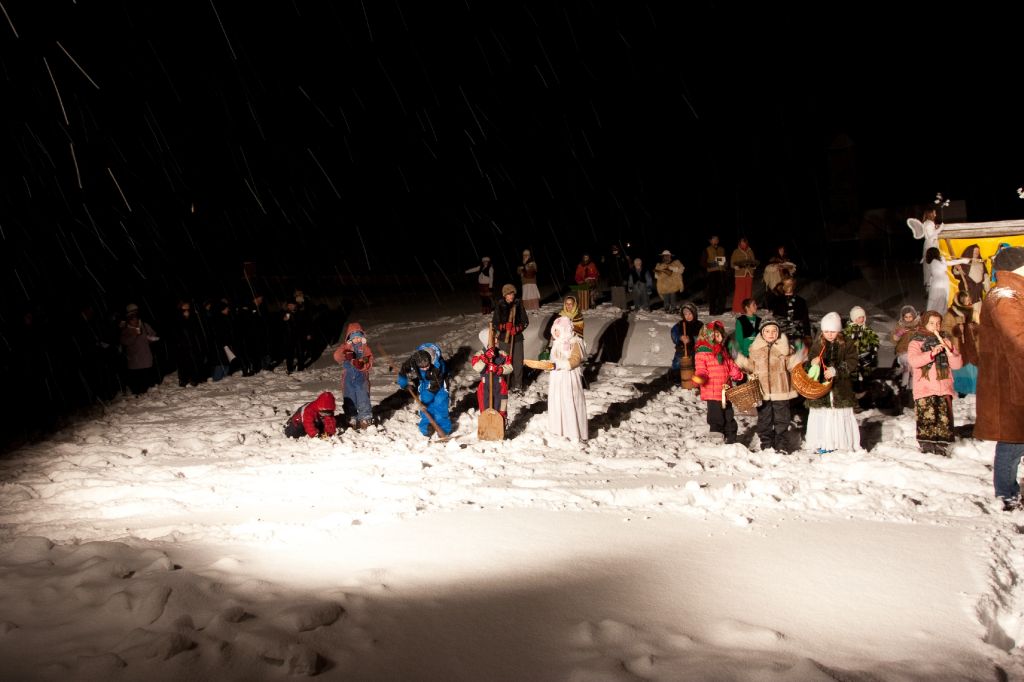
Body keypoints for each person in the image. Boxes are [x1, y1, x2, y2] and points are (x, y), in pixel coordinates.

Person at [974, 247, 1024, 510]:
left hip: (1013, 380)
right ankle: (1006, 495)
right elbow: (1018, 341)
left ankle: (1008, 493)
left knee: (1015, 439)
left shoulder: (1012, 292)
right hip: (1011, 382)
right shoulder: (1005, 296)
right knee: (1012, 441)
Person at [737, 319, 803, 452]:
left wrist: (800, 356)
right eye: (767, 331)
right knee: (764, 419)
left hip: (781, 390)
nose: (771, 334)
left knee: (782, 418)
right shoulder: (755, 349)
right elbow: (750, 366)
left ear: (778, 333)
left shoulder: (784, 349)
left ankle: (781, 444)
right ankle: (766, 443)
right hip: (763, 391)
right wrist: (740, 360)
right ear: (762, 333)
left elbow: (791, 365)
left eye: (774, 331)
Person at [803, 312, 860, 453]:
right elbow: (809, 364)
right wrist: (813, 363)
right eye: (826, 331)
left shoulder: (847, 343)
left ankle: (841, 443)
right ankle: (822, 442)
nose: (829, 334)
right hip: (822, 389)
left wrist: (836, 370)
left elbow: (852, 361)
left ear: (838, 330)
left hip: (840, 387)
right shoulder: (818, 344)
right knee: (823, 414)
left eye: (833, 331)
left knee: (839, 413)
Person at [907, 310, 963, 456]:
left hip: (944, 388)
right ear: (925, 323)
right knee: (928, 420)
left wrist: (950, 352)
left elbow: (957, 365)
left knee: (943, 420)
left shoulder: (946, 340)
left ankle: (942, 448)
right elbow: (914, 361)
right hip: (925, 388)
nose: (935, 326)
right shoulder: (916, 342)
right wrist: (931, 354)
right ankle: (927, 448)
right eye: (931, 323)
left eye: (938, 323)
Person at [693, 320, 745, 444]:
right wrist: (700, 377)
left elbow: (730, 365)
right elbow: (701, 369)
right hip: (712, 392)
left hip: (725, 391)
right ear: (707, 336)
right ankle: (716, 440)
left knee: (729, 416)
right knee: (716, 417)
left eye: (720, 334)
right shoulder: (702, 353)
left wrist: (737, 374)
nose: (719, 337)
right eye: (715, 335)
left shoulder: (722, 351)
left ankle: (731, 439)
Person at [546, 316, 588, 443]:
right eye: (554, 330)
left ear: (565, 329)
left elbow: (575, 360)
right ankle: (559, 430)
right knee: (558, 402)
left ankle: (574, 432)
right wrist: (548, 365)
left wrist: (559, 365)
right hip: (557, 379)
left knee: (569, 402)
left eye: (558, 330)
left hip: (569, 378)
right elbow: (554, 359)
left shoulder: (575, 342)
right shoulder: (556, 343)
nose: (555, 333)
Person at [397, 344, 451, 438]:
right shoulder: (413, 361)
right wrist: (404, 384)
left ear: (430, 360)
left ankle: (443, 429)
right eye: (422, 367)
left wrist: (423, 403)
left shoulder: (438, 366)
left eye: (427, 366)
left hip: (440, 384)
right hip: (425, 382)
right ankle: (426, 427)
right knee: (426, 408)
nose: (425, 368)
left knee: (440, 404)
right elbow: (403, 371)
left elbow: (434, 387)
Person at [333, 323, 375, 429]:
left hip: (361, 378)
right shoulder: (345, 347)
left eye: (359, 337)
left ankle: (365, 417)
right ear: (349, 338)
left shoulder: (365, 348)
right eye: (354, 337)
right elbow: (337, 357)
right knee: (349, 397)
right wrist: (345, 352)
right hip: (348, 378)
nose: (357, 339)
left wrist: (361, 364)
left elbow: (369, 360)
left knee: (363, 397)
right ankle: (351, 417)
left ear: (362, 337)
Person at [492, 284, 529, 392]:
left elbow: (525, 321)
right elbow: (495, 323)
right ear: (504, 295)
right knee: (504, 362)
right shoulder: (500, 305)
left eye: (512, 293)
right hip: (504, 339)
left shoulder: (518, 304)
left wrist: (517, 328)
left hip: (517, 339)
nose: (511, 296)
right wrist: (504, 326)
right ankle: (504, 385)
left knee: (517, 362)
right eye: (509, 294)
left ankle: (517, 385)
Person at [472, 328, 512, 426]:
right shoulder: (480, 354)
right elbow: (476, 366)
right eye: (494, 338)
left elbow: (510, 367)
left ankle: (501, 425)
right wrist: (485, 358)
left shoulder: (502, 353)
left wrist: (499, 369)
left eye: (497, 338)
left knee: (501, 406)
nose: (497, 340)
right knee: (485, 408)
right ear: (486, 341)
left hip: (500, 386)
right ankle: (487, 427)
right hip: (485, 386)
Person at [119, 303, 159, 395]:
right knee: (138, 388)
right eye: (132, 314)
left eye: (136, 313)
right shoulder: (125, 329)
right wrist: (135, 334)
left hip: (146, 360)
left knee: (149, 386)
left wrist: (151, 339)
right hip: (135, 363)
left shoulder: (144, 325)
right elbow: (125, 342)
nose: (135, 319)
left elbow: (153, 335)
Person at [843, 305, 879, 400]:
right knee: (853, 374)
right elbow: (843, 341)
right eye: (859, 317)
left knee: (866, 373)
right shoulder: (848, 330)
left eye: (863, 317)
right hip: (852, 357)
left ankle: (865, 391)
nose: (862, 319)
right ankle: (854, 391)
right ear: (854, 319)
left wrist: (874, 347)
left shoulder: (867, 330)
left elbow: (874, 339)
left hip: (865, 356)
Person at [924, 247, 970, 315]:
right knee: (939, 300)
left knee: (941, 300)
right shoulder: (934, 262)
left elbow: (950, 262)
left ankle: (939, 314)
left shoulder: (936, 261)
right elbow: (944, 267)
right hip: (939, 283)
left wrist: (963, 260)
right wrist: (943, 259)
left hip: (941, 282)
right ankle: (934, 315)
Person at [891, 305, 920, 405]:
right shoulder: (900, 325)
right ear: (903, 317)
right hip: (903, 352)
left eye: (910, 316)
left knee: (913, 371)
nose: (908, 319)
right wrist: (899, 333)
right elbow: (894, 339)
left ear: (914, 316)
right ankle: (903, 388)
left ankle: (910, 392)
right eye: (906, 317)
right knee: (908, 366)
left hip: (915, 352)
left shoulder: (918, 326)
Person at [771, 277, 811, 345]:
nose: (788, 286)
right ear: (783, 286)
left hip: (797, 335)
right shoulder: (777, 300)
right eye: (786, 284)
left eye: (790, 284)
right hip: (781, 335)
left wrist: (807, 335)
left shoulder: (801, 301)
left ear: (794, 285)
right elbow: (774, 318)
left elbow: (805, 318)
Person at [908, 207, 942, 286]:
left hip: (931, 244)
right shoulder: (929, 223)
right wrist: (940, 228)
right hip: (931, 246)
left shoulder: (929, 223)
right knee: (931, 265)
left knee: (931, 265)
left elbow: (931, 232)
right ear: (930, 214)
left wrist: (936, 228)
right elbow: (931, 235)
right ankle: (930, 285)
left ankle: (930, 284)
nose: (935, 214)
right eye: (934, 213)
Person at [951, 244, 987, 316]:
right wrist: (956, 268)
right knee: (967, 308)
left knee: (978, 309)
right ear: (970, 251)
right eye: (975, 251)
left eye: (978, 251)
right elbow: (957, 273)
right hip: (967, 288)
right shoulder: (964, 262)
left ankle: (976, 320)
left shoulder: (981, 263)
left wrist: (986, 287)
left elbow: (985, 275)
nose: (977, 253)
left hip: (978, 290)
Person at [670, 303, 703, 374]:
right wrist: (680, 337)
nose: (688, 316)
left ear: (694, 313)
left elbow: (702, 338)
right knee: (677, 365)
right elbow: (673, 333)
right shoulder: (680, 324)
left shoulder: (700, 325)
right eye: (685, 314)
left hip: (695, 352)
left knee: (696, 367)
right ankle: (676, 375)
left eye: (690, 314)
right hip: (682, 350)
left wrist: (691, 339)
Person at [700, 235, 728, 316]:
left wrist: (726, 264)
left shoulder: (722, 249)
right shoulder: (707, 249)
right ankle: (712, 310)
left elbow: (726, 260)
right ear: (710, 241)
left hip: (722, 272)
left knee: (722, 292)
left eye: (717, 239)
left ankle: (720, 310)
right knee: (713, 292)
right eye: (714, 239)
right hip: (712, 273)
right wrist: (711, 264)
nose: (716, 240)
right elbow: (702, 263)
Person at [731, 238, 757, 313]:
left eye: (744, 243)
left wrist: (753, 265)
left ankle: (748, 309)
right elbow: (732, 263)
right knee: (739, 292)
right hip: (740, 274)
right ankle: (738, 309)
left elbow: (754, 261)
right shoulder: (736, 251)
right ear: (739, 243)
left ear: (746, 243)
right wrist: (736, 266)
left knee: (748, 292)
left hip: (749, 274)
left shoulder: (750, 251)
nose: (743, 244)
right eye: (742, 243)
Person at [653, 250, 684, 314]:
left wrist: (671, 268)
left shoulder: (675, 262)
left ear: (670, 256)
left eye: (667, 256)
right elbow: (656, 276)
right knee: (666, 297)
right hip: (664, 285)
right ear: (663, 257)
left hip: (673, 284)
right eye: (665, 256)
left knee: (672, 295)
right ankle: (666, 308)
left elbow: (681, 269)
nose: (666, 257)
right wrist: (658, 272)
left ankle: (673, 308)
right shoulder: (659, 265)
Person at [604, 243, 630, 308]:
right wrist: (603, 262)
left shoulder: (622, 257)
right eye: (613, 249)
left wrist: (625, 279)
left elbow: (627, 269)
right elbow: (606, 269)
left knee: (622, 293)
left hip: (621, 278)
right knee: (614, 293)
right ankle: (616, 307)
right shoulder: (609, 257)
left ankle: (623, 306)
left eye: (616, 248)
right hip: (613, 279)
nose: (614, 250)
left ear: (618, 249)